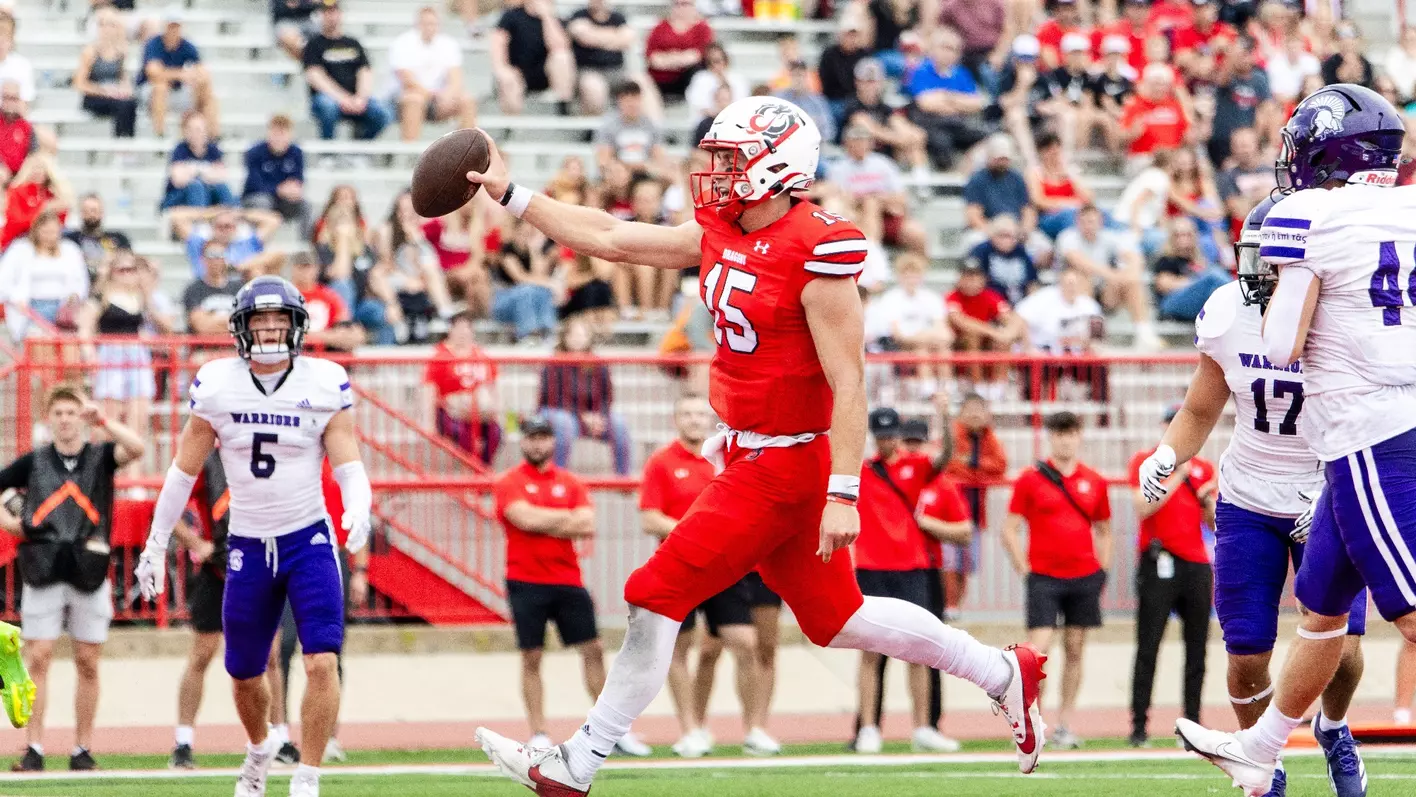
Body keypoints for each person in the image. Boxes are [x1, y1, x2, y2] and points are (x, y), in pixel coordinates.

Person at [470, 95, 1046, 795]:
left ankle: (579, 759)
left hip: (789, 463)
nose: (714, 171)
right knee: (839, 617)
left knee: (653, 592)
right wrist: (511, 193)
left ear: (776, 166)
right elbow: (614, 238)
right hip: (751, 451)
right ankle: (1003, 671)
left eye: (731, 158)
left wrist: (842, 490)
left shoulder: (817, 249)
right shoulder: (722, 227)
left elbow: (850, 382)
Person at [1176, 86, 1408, 796]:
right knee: (1321, 616)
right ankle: (1260, 748)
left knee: (1408, 612)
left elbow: (1279, 344)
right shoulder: (1400, 205)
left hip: (1376, 429)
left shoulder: (1310, 214)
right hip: (1358, 436)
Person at [1140, 197, 1368, 792]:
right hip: (1248, 498)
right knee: (1245, 658)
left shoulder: (1347, 314)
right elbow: (1199, 407)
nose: (1265, 272)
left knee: (1340, 650)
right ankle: (1263, 768)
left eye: (1278, 261)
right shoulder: (1227, 312)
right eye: (1257, 259)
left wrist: (1337, 480)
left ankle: (1335, 728)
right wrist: (1167, 454)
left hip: (1331, 492)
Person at [133, 276, 373, 797]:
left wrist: (360, 507)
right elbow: (182, 472)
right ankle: (259, 747)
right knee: (243, 672)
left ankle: (307, 776)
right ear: (241, 329)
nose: (269, 331)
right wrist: (155, 543)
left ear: (297, 325)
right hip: (245, 542)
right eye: (259, 322)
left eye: (279, 320)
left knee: (321, 659)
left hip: (307, 538)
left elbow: (347, 458)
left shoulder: (324, 380)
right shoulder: (218, 382)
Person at [0, 385, 144, 771]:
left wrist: (105, 423)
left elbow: (137, 449)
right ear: (49, 418)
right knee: (39, 658)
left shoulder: (100, 457)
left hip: (89, 567)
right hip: (42, 565)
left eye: (72, 412)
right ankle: (35, 748)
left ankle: (82, 748)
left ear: (82, 416)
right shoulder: (34, 461)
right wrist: (12, 525)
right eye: (59, 412)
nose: (65, 419)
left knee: (87, 661)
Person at [495, 415, 651, 757]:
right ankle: (538, 731)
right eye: (532, 437)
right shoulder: (510, 481)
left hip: (567, 578)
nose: (538, 444)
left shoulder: (570, 481)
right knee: (532, 655)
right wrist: (562, 520)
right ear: (523, 442)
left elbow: (586, 523)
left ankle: (608, 730)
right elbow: (522, 517)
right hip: (525, 579)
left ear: (553, 441)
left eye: (544, 437)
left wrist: (545, 521)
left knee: (593, 650)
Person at [641, 395, 778, 758]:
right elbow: (650, 517)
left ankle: (753, 729)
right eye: (686, 413)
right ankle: (691, 729)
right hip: (679, 566)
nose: (694, 420)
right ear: (676, 419)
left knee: (746, 643)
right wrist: (693, 532)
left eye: (700, 414)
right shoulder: (661, 462)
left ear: (710, 420)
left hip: (723, 567)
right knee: (678, 649)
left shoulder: (725, 460)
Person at [852, 407, 965, 755]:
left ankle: (922, 728)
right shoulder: (862, 470)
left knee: (918, 651)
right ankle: (868, 728)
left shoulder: (915, 466)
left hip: (912, 568)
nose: (887, 441)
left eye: (891, 435)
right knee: (870, 651)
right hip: (872, 568)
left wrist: (945, 417)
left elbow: (946, 455)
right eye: (881, 435)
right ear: (873, 435)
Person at [1000, 410, 1111, 751]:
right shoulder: (1031, 478)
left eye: (1071, 432)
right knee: (1038, 653)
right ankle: (1036, 721)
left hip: (1083, 575)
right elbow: (1010, 527)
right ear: (1051, 437)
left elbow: (1105, 529)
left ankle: (1065, 723)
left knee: (1076, 649)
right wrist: (1023, 567)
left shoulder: (1094, 480)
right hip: (1044, 577)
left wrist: (1101, 569)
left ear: (1079, 436)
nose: (1065, 439)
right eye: (1059, 433)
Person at [168, 451, 286, 769]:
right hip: (218, 571)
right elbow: (167, 509)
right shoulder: (207, 462)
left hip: (261, 568)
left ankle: (280, 737)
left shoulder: (267, 455)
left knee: (271, 656)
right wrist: (197, 544)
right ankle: (183, 741)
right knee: (202, 654)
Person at [1128, 406, 1216, 746]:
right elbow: (1142, 506)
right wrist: (1178, 473)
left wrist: (1207, 502)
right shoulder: (1145, 462)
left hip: (1195, 562)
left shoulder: (1205, 468)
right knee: (1148, 646)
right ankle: (1139, 725)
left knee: (1197, 649)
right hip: (1158, 560)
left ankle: (1191, 725)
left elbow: (1212, 524)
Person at [538, 318, 633, 475]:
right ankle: (557, 477)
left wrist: (599, 417)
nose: (577, 339)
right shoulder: (553, 363)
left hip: (591, 417)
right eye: (573, 334)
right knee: (564, 423)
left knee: (619, 423)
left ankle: (623, 479)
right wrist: (582, 416)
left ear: (589, 338)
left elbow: (606, 396)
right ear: (565, 337)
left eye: (582, 334)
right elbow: (554, 399)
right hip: (558, 413)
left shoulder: (598, 364)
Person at [943, 393, 1007, 617]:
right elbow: (948, 464)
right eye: (969, 410)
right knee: (948, 562)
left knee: (966, 564)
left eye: (979, 410)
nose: (974, 415)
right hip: (949, 513)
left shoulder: (989, 438)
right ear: (961, 414)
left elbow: (1000, 466)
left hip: (975, 512)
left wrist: (970, 464)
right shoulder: (952, 435)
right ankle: (948, 605)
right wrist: (976, 470)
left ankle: (955, 608)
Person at [302, 1, 392, 140]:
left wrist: (360, 98)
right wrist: (343, 98)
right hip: (329, 98)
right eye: (327, 12)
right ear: (321, 15)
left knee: (384, 113)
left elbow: (365, 71)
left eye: (334, 11)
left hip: (355, 98)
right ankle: (328, 152)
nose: (331, 16)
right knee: (327, 106)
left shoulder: (353, 43)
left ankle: (359, 149)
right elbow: (315, 76)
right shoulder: (314, 44)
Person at [385, 6, 477, 142]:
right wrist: (432, 95)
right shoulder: (403, 43)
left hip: (438, 99)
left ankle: (465, 151)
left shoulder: (448, 44)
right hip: (406, 97)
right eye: (426, 23)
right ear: (418, 24)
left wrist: (447, 95)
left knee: (466, 100)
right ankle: (411, 150)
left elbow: (456, 77)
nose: (430, 27)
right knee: (414, 100)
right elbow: (407, 80)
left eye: (433, 23)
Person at [423, 312, 502, 465]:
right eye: (458, 328)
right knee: (461, 433)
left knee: (496, 432)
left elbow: (493, 387)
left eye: (466, 328)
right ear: (450, 330)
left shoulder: (482, 355)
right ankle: (477, 471)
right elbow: (430, 389)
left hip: (479, 410)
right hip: (451, 411)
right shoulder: (440, 356)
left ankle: (482, 469)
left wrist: (497, 411)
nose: (462, 333)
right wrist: (429, 422)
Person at [0, 209, 89, 341]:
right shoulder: (19, 249)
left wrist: (74, 296)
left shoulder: (71, 250)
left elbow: (81, 281)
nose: (49, 237)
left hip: (62, 309)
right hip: (30, 309)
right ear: (36, 230)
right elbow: (4, 280)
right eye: (45, 232)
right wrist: (16, 299)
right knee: (38, 346)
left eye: (53, 232)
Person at [139, 7, 219, 137]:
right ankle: (159, 133)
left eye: (176, 26)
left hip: (176, 90)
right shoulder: (153, 44)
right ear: (165, 26)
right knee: (160, 88)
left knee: (207, 92)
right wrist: (181, 74)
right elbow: (153, 73)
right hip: (150, 92)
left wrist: (194, 77)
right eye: (171, 26)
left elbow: (202, 72)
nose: (173, 30)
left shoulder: (187, 46)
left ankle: (212, 136)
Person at [492, 0, 575, 116]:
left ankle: (563, 108)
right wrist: (503, 69)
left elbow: (560, 46)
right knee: (509, 80)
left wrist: (547, 17)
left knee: (562, 57)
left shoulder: (557, 20)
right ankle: (511, 124)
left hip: (545, 74)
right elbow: (498, 42)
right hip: (518, 73)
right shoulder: (511, 16)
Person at [243, 115, 312, 237]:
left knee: (305, 205)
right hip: (258, 198)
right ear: (269, 133)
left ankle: (305, 244)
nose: (279, 138)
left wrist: (294, 190)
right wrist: (278, 189)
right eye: (276, 134)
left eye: (283, 134)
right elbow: (254, 184)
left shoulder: (296, 153)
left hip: (284, 201)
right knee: (263, 201)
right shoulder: (255, 152)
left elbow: (298, 179)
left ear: (290, 135)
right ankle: (259, 242)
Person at [74, 6, 138, 138]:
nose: (107, 29)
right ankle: (120, 143)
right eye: (103, 25)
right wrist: (104, 91)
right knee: (122, 106)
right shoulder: (90, 52)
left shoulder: (120, 52)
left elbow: (122, 77)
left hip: (113, 95)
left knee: (129, 103)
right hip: (94, 96)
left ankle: (127, 142)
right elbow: (79, 83)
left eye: (111, 25)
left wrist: (124, 90)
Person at [64, 193, 132, 283]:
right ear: (81, 213)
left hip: (111, 286)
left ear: (102, 212)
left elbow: (128, 261)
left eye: (94, 210)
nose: (91, 215)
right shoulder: (70, 240)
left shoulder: (118, 238)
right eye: (86, 211)